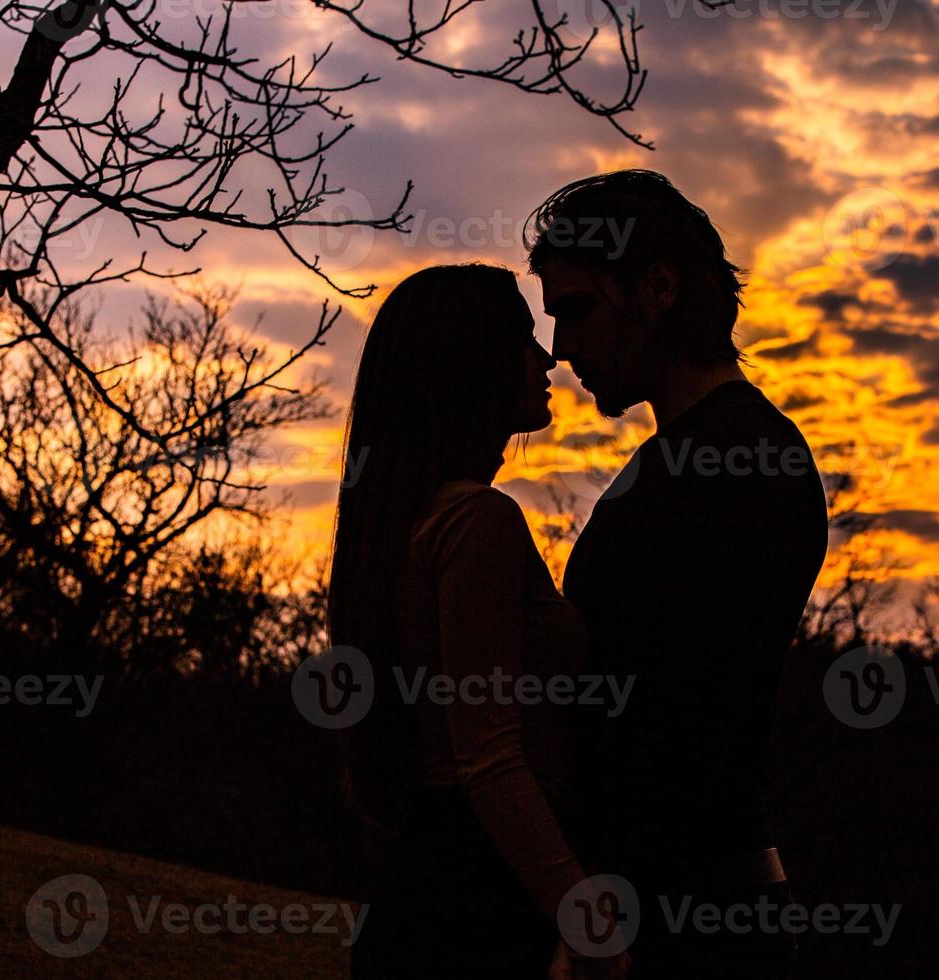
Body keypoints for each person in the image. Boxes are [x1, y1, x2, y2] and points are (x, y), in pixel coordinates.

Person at [527, 170, 829, 979]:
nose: (560, 348)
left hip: (685, 924)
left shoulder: (738, 462)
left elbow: (673, 726)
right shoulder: (693, 459)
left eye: (578, 310)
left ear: (656, 287)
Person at [331, 264, 626, 978]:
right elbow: (489, 755)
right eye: (523, 337)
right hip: (474, 892)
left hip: (434, 879)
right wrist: (582, 914)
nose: (547, 356)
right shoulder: (478, 521)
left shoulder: (408, 524)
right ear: (473, 362)